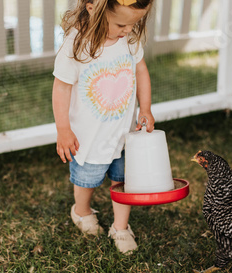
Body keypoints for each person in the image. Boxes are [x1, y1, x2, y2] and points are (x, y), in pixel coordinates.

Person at [52, 0, 155, 254]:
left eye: (134, 24)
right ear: (93, 8)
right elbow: (61, 87)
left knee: (123, 180)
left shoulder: (128, 40)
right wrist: (63, 129)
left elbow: (141, 71)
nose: (128, 30)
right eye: (121, 24)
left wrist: (145, 108)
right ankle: (82, 211)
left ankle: (120, 227)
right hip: (88, 138)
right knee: (87, 180)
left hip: (123, 135)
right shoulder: (76, 45)